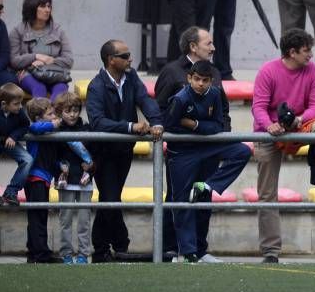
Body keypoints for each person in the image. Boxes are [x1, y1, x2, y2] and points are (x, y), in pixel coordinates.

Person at [252, 28, 315, 263]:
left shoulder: (313, 71)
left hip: (299, 124)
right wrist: (270, 126)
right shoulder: (268, 71)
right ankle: (271, 252)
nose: (311, 56)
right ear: (292, 52)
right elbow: (259, 107)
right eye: (307, 51)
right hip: (269, 133)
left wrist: (297, 120)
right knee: (266, 195)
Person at [154, 26, 230, 262]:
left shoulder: (214, 72)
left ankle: (199, 249)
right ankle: (170, 249)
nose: (213, 48)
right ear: (193, 46)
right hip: (182, 150)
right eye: (209, 43)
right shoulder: (171, 72)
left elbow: (223, 110)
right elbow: (161, 110)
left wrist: (221, 137)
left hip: (209, 149)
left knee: (203, 195)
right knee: (177, 197)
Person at [164, 61, 251, 263]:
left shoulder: (215, 94)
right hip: (183, 152)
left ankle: (210, 185)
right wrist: (202, 128)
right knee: (182, 202)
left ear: (211, 81)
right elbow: (171, 127)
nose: (200, 84)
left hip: (209, 146)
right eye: (196, 79)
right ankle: (188, 252)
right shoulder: (180, 98)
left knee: (242, 151)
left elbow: (218, 125)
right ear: (189, 78)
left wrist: (194, 124)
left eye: (205, 80)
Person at [86, 39, 164, 263]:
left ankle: (108, 248)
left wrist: (156, 122)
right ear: (111, 60)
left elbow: (144, 100)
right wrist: (130, 127)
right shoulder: (96, 86)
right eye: (125, 55)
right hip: (104, 152)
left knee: (112, 198)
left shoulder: (131, 78)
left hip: (124, 151)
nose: (131, 59)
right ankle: (113, 245)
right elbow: (98, 122)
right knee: (110, 198)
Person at [53, 92, 95, 265]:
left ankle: (84, 254)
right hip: (66, 182)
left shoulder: (87, 129)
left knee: (84, 221)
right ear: (59, 111)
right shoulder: (56, 130)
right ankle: (66, 254)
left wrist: (91, 168)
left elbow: (96, 154)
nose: (72, 114)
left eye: (76, 110)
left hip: (85, 182)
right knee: (65, 221)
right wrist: (59, 167)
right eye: (68, 111)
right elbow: (52, 155)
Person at [9, 0, 73, 102]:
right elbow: (14, 60)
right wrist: (36, 57)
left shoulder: (58, 31)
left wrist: (48, 61)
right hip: (29, 74)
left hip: (55, 73)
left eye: (49, 6)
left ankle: (52, 118)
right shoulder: (18, 31)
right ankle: (40, 118)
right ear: (31, 8)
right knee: (39, 88)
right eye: (43, 6)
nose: (47, 10)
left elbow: (69, 60)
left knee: (61, 91)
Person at [25, 97, 62, 264]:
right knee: (37, 217)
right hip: (35, 179)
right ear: (39, 118)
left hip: (44, 178)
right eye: (50, 114)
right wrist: (53, 124)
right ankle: (40, 254)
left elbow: (51, 158)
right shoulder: (36, 129)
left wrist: (60, 167)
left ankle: (36, 252)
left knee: (40, 216)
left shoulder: (48, 134)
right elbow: (33, 127)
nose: (54, 116)